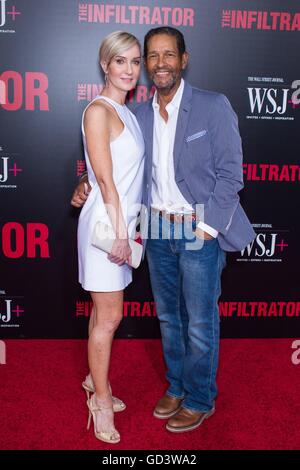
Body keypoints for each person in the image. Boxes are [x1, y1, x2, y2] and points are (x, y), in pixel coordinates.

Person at [72, 27, 256, 434]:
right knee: (170, 319)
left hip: (197, 226)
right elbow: (114, 164)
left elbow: (231, 175)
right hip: (154, 228)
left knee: (200, 321)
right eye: (150, 57)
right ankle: (176, 386)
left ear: (183, 60)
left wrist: (207, 228)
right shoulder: (136, 113)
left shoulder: (212, 106)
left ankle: (200, 397)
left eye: (166, 55)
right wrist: (84, 182)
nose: (158, 64)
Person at [76, 31, 144, 443]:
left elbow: (113, 168)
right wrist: (121, 234)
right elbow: (104, 179)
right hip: (106, 228)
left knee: (103, 315)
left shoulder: (127, 111)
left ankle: (92, 378)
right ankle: (100, 400)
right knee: (111, 317)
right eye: (121, 61)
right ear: (105, 64)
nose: (130, 70)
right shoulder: (98, 111)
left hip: (120, 225)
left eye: (135, 62)